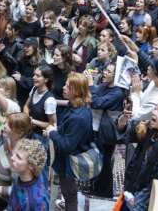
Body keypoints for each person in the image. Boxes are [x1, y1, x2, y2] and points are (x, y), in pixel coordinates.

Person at [45, 72, 93, 211]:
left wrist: (52, 133)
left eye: (67, 85)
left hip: (70, 163)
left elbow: (67, 145)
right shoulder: (78, 106)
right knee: (69, 192)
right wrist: (56, 130)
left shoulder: (78, 117)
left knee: (69, 193)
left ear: (77, 91)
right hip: (72, 158)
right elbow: (68, 129)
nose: (63, 87)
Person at [87, 62, 124, 198]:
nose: (104, 73)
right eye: (105, 70)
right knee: (95, 161)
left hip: (106, 133)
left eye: (109, 72)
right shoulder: (105, 85)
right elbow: (94, 95)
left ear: (116, 76)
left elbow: (96, 102)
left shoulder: (117, 93)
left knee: (104, 165)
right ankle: (94, 189)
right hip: (97, 129)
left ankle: (103, 193)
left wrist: (90, 85)